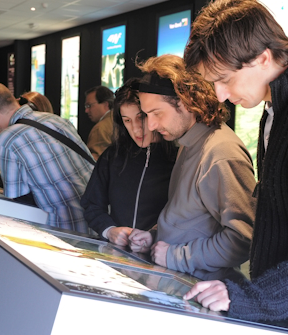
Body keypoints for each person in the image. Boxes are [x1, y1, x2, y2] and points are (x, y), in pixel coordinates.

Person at [183, 0, 288, 332]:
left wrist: (254, 299)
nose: (221, 96)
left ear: (262, 57)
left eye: (224, 80)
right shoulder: (276, 105)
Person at [129, 54, 256, 275]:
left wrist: (176, 256)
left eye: (157, 113)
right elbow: (189, 219)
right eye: (146, 115)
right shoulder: (187, 144)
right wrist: (153, 236)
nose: (150, 125)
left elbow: (244, 239)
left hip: (198, 293)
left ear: (187, 102)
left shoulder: (221, 152)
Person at [0, 81, 94, 233]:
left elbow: (18, 199)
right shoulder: (56, 120)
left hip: (63, 228)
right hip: (98, 221)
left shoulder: (7, 139)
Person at [80, 78, 177, 246]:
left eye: (141, 118)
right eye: (127, 120)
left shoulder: (178, 157)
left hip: (164, 257)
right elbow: (91, 204)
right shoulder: (113, 155)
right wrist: (109, 230)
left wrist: (153, 237)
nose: (136, 128)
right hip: (118, 256)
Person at [84, 86, 114, 160]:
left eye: (89, 105)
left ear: (105, 104)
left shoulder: (100, 128)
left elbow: (94, 160)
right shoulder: (119, 119)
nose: (86, 110)